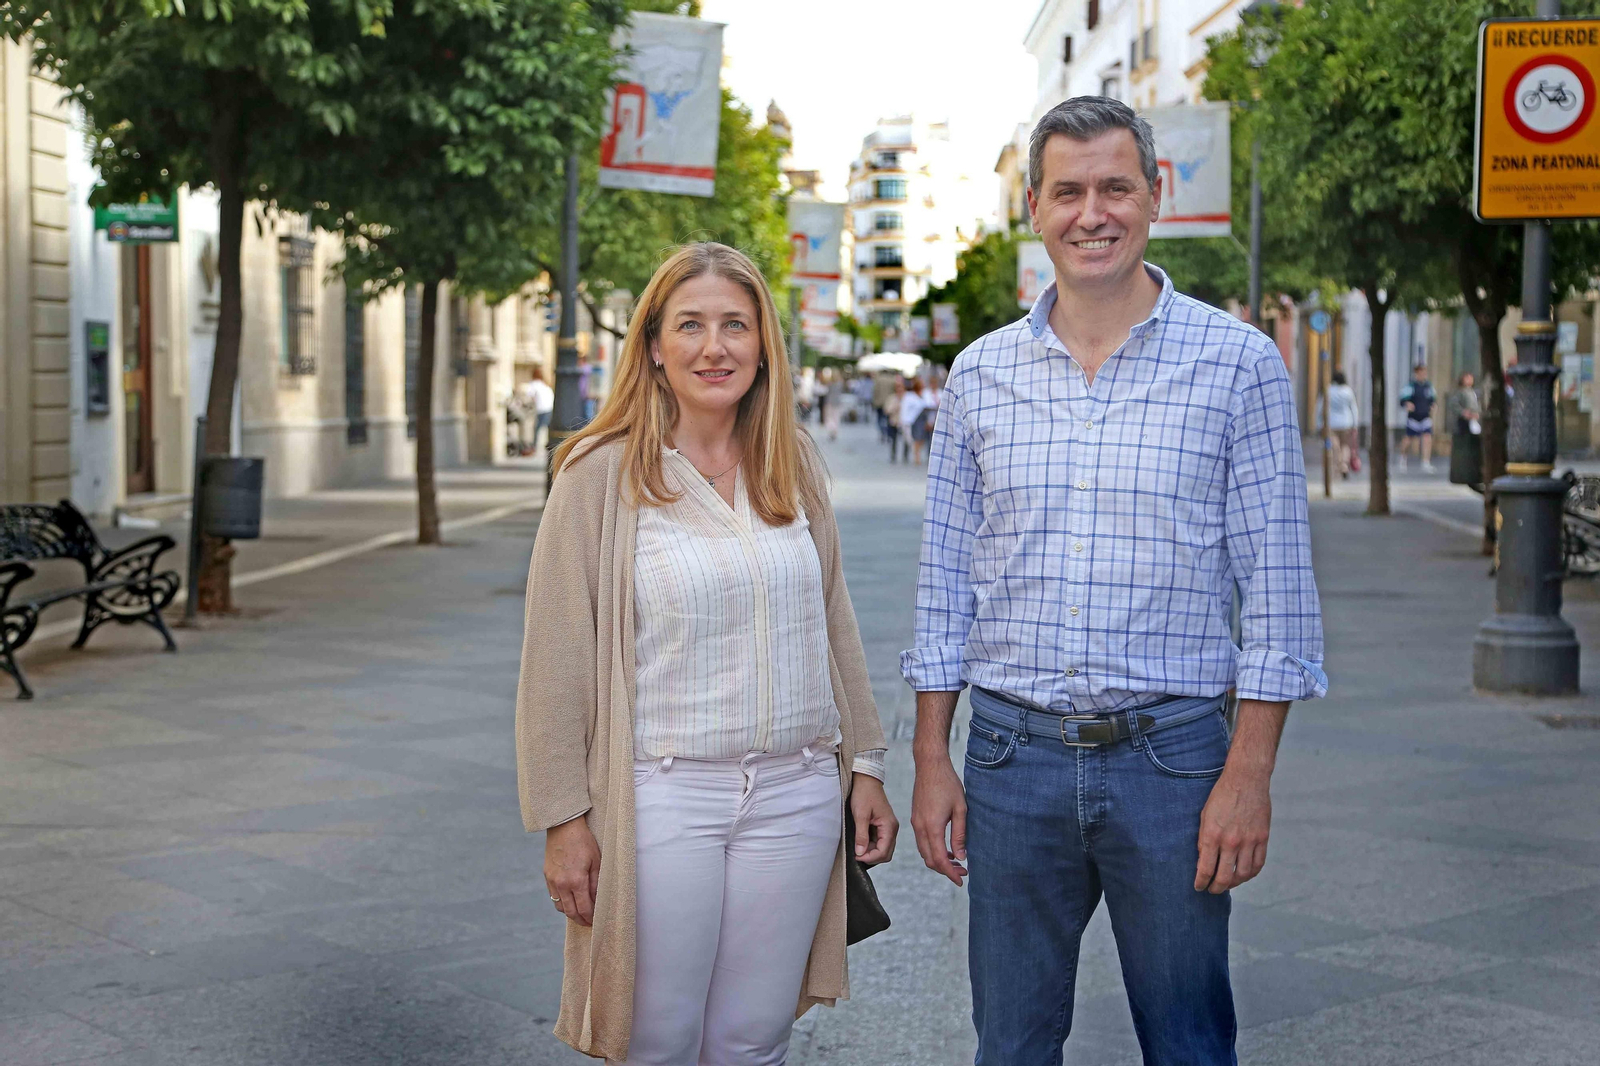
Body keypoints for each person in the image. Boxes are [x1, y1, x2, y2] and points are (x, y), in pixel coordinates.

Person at [904, 97, 1326, 1065]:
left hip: (1174, 760)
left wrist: (1246, 776)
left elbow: (1279, 595)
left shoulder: (1238, 365)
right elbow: (943, 587)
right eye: (1067, 191)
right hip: (1011, 757)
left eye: (1113, 188)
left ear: (1153, 196)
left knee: (1188, 1043)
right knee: (1009, 1045)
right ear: (1034, 207)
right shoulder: (977, 375)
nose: (1091, 213)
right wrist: (934, 756)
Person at [517, 242, 897, 1066]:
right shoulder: (599, 474)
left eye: (736, 324)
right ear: (654, 344)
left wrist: (865, 763)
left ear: (764, 343)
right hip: (664, 796)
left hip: (795, 794)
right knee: (656, 1040)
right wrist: (563, 820)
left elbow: (833, 618)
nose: (714, 346)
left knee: (753, 1040)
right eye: (690, 325)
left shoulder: (792, 462)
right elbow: (555, 659)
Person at [1399, 363, 1436, 473]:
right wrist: (1407, 404)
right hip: (1414, 417)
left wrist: (1433, 406)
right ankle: (1403, 458)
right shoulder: (1411, 386)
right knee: (1408, 439)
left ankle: (1426, 461)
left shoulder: (1428, 386)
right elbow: (1402, 400)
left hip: (1425, 416)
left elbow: (1433, 399)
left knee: (1427, 438)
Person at [1447, 371, 1482, 487]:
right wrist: (1464, 413)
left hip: (1474, 420)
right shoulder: (1460, 393)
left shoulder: (1474, 392)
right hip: (1464, 422)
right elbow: (1454, 405)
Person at [1326, 371, 1359, 478]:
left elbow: (1321, 406)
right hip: (1346, 422)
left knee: (1335, 446)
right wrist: (1355, 424)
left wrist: (1320, 422)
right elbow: (1353, 408)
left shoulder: (1329, 390)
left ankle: (1338, 465)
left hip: (1332, 423)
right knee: (1345, 446)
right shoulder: (1348, 391)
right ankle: (1344, 465)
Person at [899, 376, 931, 465]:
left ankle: (916, 454)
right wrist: (903, 421)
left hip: (921, 420)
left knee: (921, 439)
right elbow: (904, 409)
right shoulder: (909, 396)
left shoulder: (924, 395)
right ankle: (916, 456)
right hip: (911, 421)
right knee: (913, 439)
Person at [521, 368, 554, 455]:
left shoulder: (533, 384)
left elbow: (528, 395)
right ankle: (549, 444)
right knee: (547, 427)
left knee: (537, 428)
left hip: (541, 409)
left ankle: (534, 447)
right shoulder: (545, 384)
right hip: (549, 408)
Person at [885, 377, 906, 463]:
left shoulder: (907, 398)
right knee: (894, 439)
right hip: (894, 421)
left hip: (904, 422)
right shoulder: (892, 398)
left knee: (906, 439)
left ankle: (905, 455)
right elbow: (887, 410)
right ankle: (893, 455)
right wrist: (895, 406)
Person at [872, 370, 896, 441]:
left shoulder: (878, 379)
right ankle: (888, 433)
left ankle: (882, 432)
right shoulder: (892, 379)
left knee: (880, 418)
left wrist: (874, 401)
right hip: (889, 402)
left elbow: (875, 391)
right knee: (888, 419)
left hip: (879, 402)